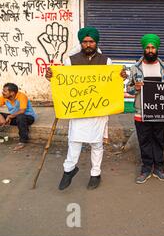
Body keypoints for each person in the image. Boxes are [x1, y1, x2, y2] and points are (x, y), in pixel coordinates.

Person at [46, 27, 127, 190]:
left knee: (97, 143)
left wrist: (122, 77)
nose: (88, 44)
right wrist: (52, 77)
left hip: (99, 109)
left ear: (96, 42)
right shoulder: (70, 61)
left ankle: (95, 174)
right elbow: (63, 83)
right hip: (78, 109)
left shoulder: (106, 61)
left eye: (91, 41)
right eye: (85, 41)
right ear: (81, 42)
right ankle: (68, 170)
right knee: (74, 140)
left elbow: (112, 83)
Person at [127, 34, 164, 184]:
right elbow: (129, 89)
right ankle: (146, 168)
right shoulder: (135, 68)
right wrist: (136, 87)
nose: (150, 50)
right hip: (141, 111)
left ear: (157, 48)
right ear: (144, 48)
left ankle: (159, 168)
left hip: (159, 111)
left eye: (153, 47)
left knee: (159, 140)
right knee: (144, 140)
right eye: (148, 47)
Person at [0, 83, 36, 151]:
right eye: (3, 90)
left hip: (28, 117)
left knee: (20, 117)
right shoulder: (4, 97)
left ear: (12, 93)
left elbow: (22, 111)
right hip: (14, 117)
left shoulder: (22, 96)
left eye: (5, 91)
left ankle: (22, 141)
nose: (3, 92)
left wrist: (10, 116)